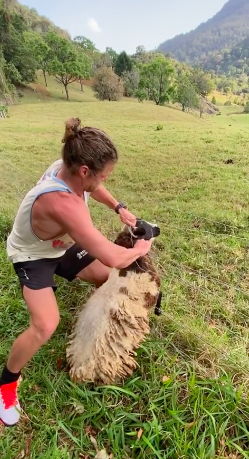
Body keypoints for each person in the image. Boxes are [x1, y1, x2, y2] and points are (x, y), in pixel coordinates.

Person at [0, 118, 153, 426]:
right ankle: (5, 386)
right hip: (32, 256)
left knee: (104, 279)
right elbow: (112, 255)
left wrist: (118, 207)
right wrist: (141, 248)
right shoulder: (63, 203)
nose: (105, 179)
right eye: (104, 174)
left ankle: (94, 337)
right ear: (85, 171)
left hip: (60, 245)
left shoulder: (68, 164)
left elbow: (95, 190)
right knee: (45, 324)